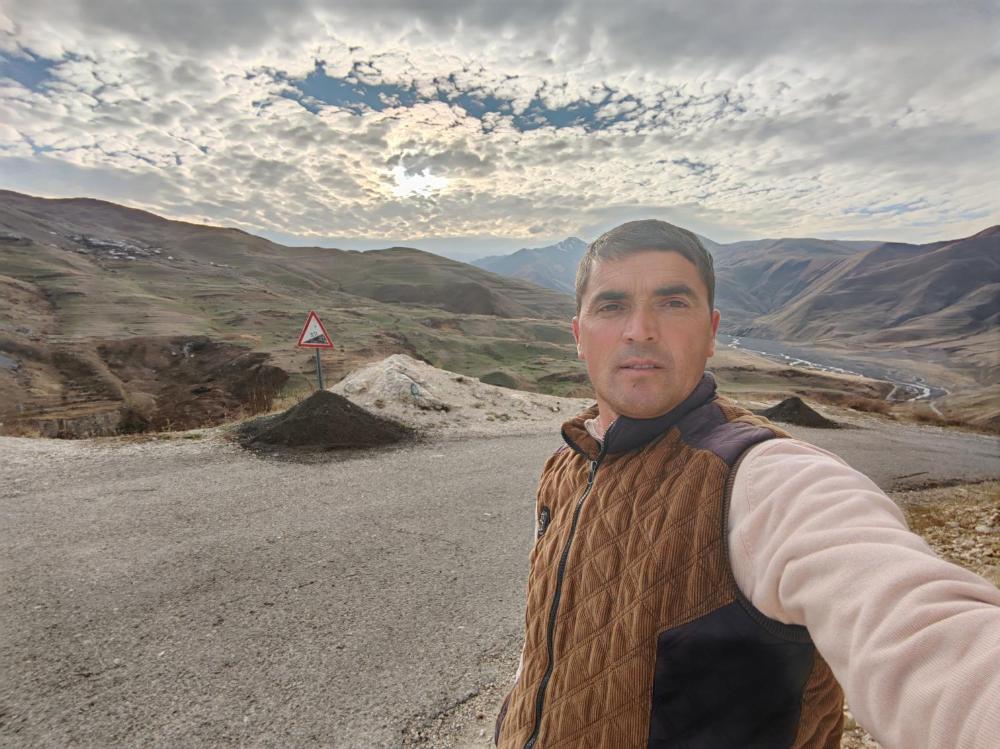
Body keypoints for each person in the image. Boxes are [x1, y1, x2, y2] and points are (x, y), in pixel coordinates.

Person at [493, 220, 1000, 749]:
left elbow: (923, 635)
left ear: (712, 332)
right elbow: (544, 649)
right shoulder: (566, 466)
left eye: (673, 303)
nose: (640, 329)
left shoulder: (763, 477)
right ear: (579, 335)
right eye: (612, 305)